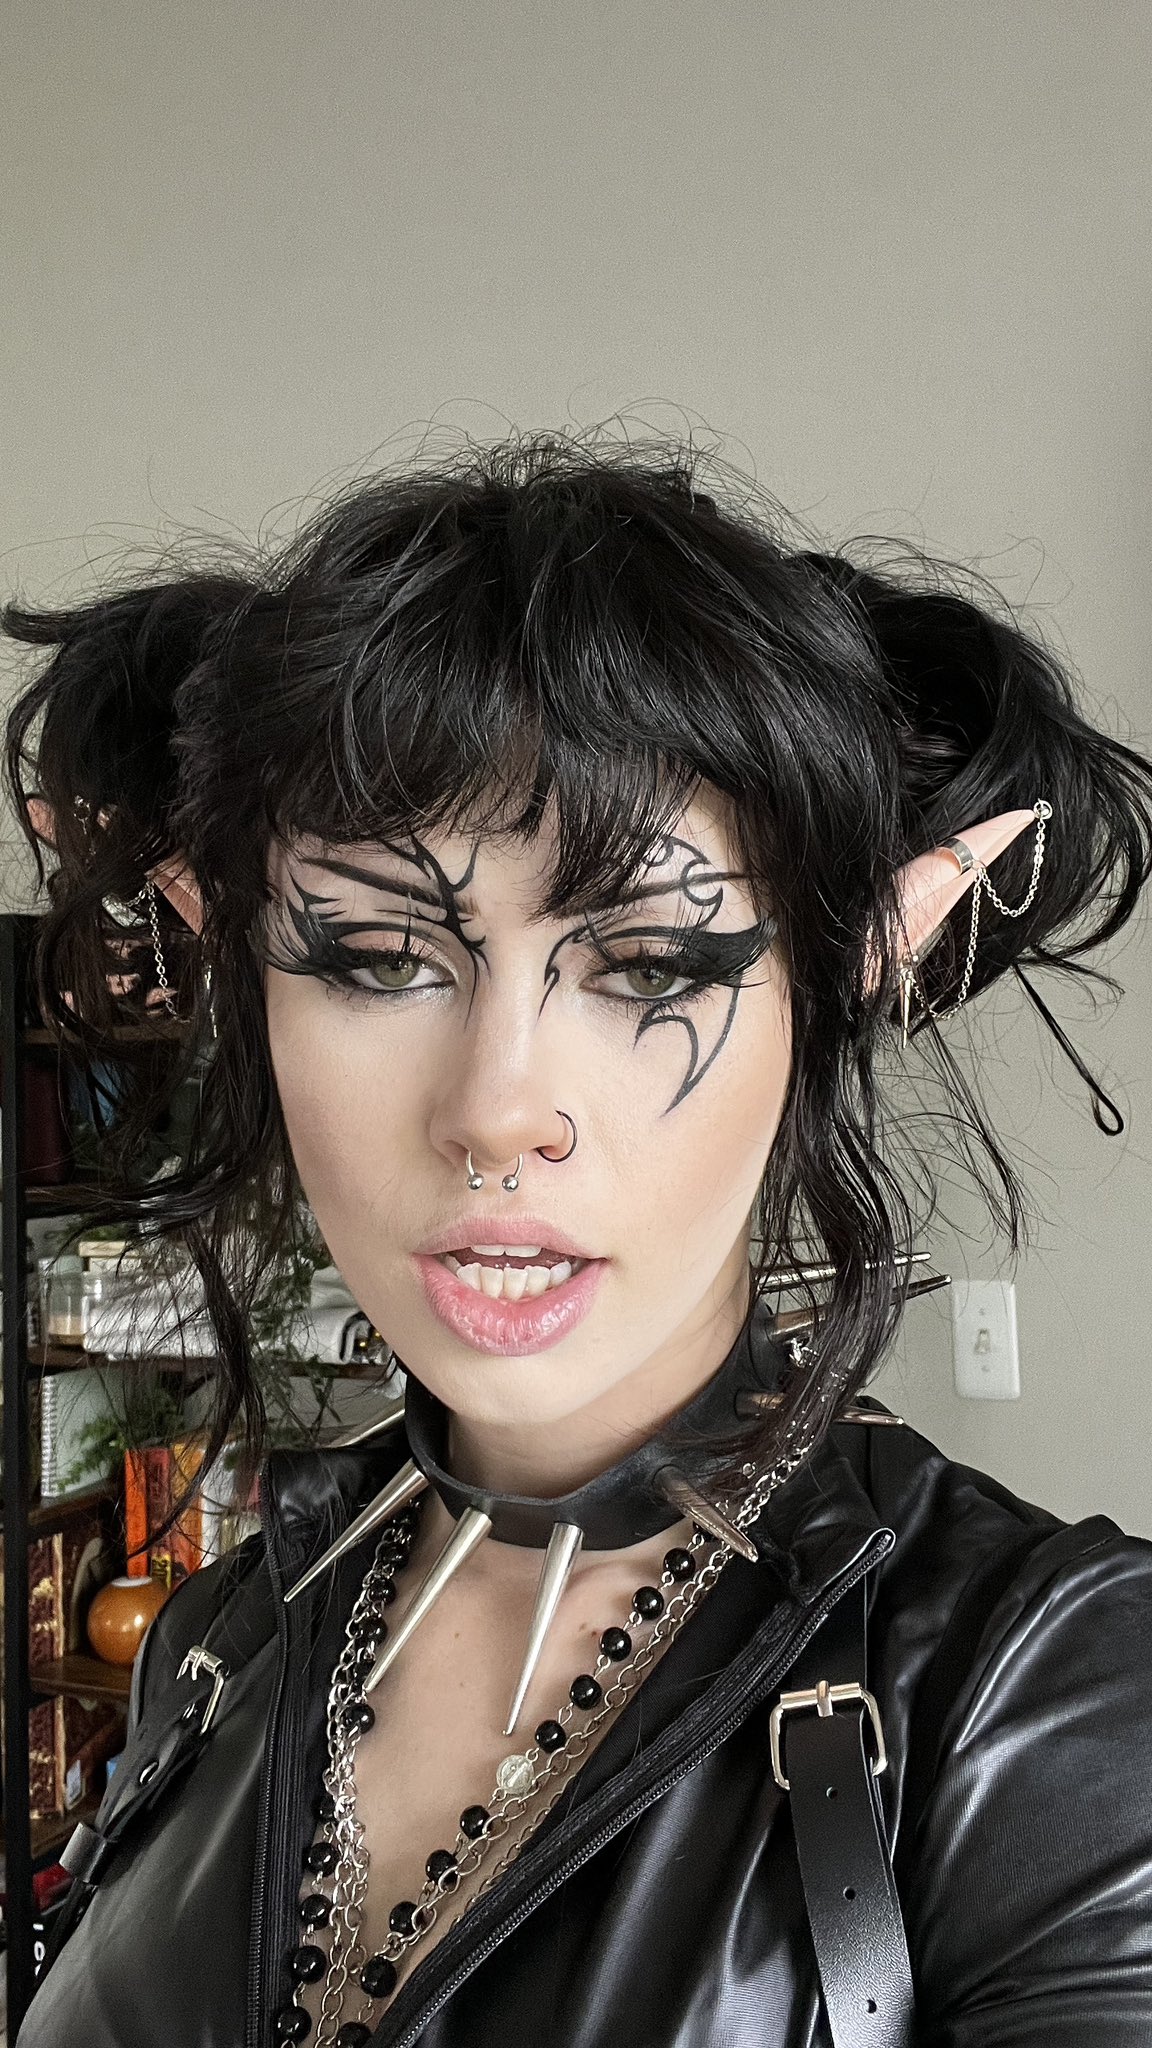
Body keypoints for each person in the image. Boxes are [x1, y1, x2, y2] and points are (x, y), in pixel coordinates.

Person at [6, 431, 1152, 2048]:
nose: (497, 1112)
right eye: (378, 959)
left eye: (653, 966)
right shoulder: (216, 1640)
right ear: (236, 970)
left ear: (844, 983)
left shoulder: (1050, 1699)